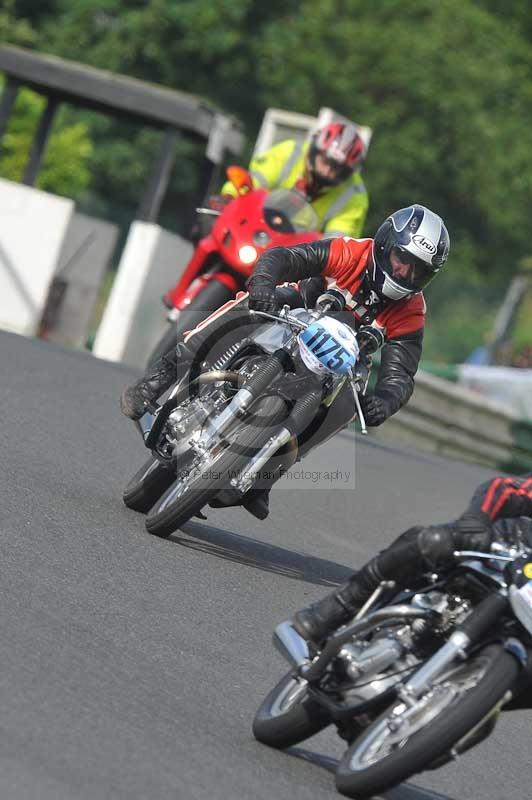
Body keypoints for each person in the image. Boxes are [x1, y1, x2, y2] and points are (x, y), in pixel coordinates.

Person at [120, 204, 450, 518]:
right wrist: (264, 281)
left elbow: (401, 374)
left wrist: (385, 401)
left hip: (340, 361)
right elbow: (287, 257)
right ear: (386, 244)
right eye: (401, 258)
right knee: (247, 305)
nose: (404, 271)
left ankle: (269, 473)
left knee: (349, 404)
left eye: (418, 269)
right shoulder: (351, 253)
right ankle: (157, 379)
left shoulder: (411, 312)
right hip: (296, 313)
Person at [292, 474, 532, 645]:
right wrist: (476, 521)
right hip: (498, 550)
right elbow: (506, 488)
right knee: (434, 541)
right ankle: (339, 606)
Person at [211, 122, 369, 239]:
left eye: (336, 168)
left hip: (297, 257)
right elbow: (253, 181)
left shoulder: (355, 196)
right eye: (326, 161)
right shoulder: (290, 152)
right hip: (253, 227)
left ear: (346, 173)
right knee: (207, 233)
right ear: (315, 152)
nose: (327, 171)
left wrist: (325, 257)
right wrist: (229, 197)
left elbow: (339, 239)